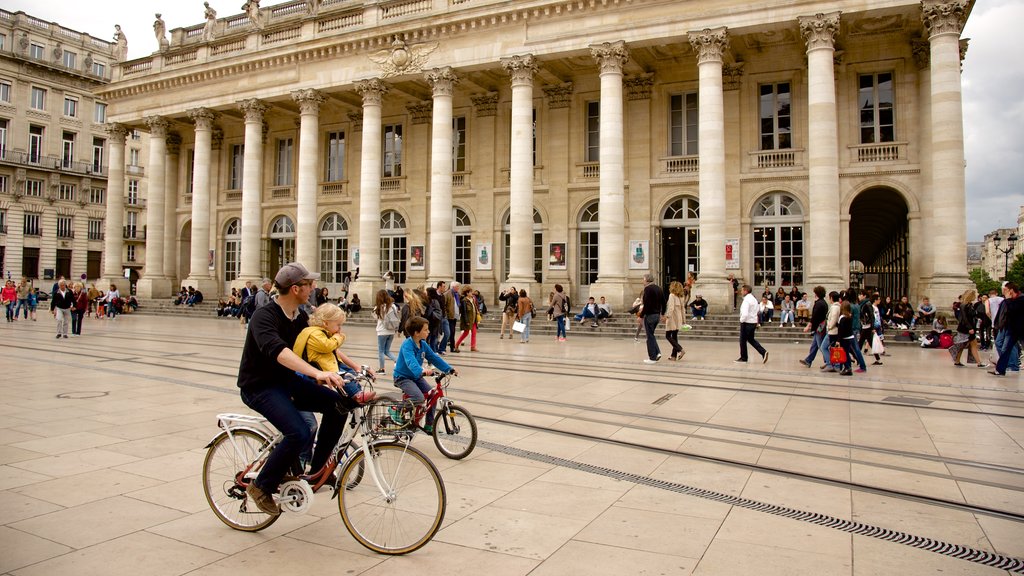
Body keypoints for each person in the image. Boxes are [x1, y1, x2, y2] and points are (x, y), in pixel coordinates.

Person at [236, 262, 367, 516]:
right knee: (299, 432)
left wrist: (338, 372)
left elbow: (320, 348)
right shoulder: (264, 317)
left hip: (287, 383)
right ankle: (261, 486)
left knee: (339, 405)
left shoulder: (300, 318)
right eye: (309, 284)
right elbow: (280, 353)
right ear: (295, 289)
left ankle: (316, 472)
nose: (313, 287)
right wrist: (316, 373)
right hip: (260, 387)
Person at [290, 303, 368, 471]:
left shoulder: (322, 333)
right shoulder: (314, 334)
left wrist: (355, 367)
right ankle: (304, 460)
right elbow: (329, 347)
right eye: (338, 325)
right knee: (310, 426)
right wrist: (340, 337)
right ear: (325, 322)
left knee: (339, 404)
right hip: (300, 383)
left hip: (313, 380)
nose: (340, 329)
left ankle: (319, 468)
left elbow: (334, 353)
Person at [393, 316, 458, 433]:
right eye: (425, 330)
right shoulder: (407, 345)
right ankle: (396, 409)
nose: (428, 332)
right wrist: (421, 371)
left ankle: (429, 424)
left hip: (416, 377)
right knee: (419, 397)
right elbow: (410, 362)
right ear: (416, 333)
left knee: (433, 394)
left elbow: (433, 357)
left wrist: (449, 369)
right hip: (402, 377)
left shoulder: (423, 344)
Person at [990, 282, 1022, 377]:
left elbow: (1013, 310)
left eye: (1006, 290)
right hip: (1011, 328)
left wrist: (1008, 299)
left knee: (1006, 348)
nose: (1004, 292)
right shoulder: (1009, 300)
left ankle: (1012, 366)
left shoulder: (1021, 299)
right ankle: (1000, 370)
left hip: (1020, 328)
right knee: (1005, 348)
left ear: (1011, 290)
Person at [948, 289, 987, 368]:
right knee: (970, 345)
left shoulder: (969, 305)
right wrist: (969, 328)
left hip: (968, 327)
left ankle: (958, 361)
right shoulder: (964, 305)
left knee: (964, 345)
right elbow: (964, 318)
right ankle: (979, 362)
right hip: (966, 328)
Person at [736, 284, 768, 363]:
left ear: (746, 291)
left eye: (742, 290)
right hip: (753, 322)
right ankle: (763, 352)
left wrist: (741, 320)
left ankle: (744, 358)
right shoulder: (753, 299)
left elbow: (745, 313)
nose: (741, 292)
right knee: (750, 339)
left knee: (742, 340)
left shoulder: (746, 300)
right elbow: (758, 310)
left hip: (746, 322)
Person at [799, 286, 829, 369]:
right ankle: (808, 360)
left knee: (821, 346)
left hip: (819, 327)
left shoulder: (818, 303)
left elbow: (814, 317)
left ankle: (829, 362)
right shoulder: (823, 302)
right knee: (814, 345)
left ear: (817, 294)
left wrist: (808, 326)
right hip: (821, 327)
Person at [640, 273, 666, 364]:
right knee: (651, 335)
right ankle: (657, 353)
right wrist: (662, 313)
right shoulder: (659, 288)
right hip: (657, 315)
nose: (642, 281)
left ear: (647, 280)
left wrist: (641, 315)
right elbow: (664, 302)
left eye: (643, 279)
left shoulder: (647, 289)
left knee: (649, 336)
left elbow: (647, 304)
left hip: (650, 315)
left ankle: (652, 357)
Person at [372, 290, 399, 374]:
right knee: (387, 351)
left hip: (382, 331)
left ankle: (382, 369)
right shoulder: (393, 306)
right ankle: (397, 361)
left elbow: (375, 317)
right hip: (391, 331)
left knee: (381, 351)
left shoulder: (378, 307)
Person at [454, 285, 479, 352]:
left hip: (473, 319)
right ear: (467, 293)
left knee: (474, 332)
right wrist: (466, 320)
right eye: (470, 292)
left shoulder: (472, 299)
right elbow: (464, 312)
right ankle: (456, 344)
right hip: (468, 319)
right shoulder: (464, 301)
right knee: (466, 333)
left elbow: (475, 308)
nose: (472, 293)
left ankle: (473, 347)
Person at [665, 280, 685, 361]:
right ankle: (673, 356)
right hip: (679, 318)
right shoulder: (681, 297)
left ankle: (680, 349)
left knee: (668, 336)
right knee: (674, 336)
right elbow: (683, 309)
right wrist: (684, 320)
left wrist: (667, 316)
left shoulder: (671, 295)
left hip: (672, 318)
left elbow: (671, 308)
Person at [835, 301, 856, 376]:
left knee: (844, 354)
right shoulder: (849, 316)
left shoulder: (842, 317)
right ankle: (848, 367)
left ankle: (847, 367)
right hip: (850, 336)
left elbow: (841, 330)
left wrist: (838, 340)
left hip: (844, 338)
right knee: (846, 352)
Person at [435, 281, 452, 354]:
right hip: (437, 317)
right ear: (439, 287)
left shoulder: (443, 296)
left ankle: (442, 348)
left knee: (448, 333)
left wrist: (445, 314)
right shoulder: (435, 295)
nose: (444, 288)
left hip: (444, 317)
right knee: (436, 334)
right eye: (443, 286)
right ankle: (435, 349)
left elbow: (444, 306)